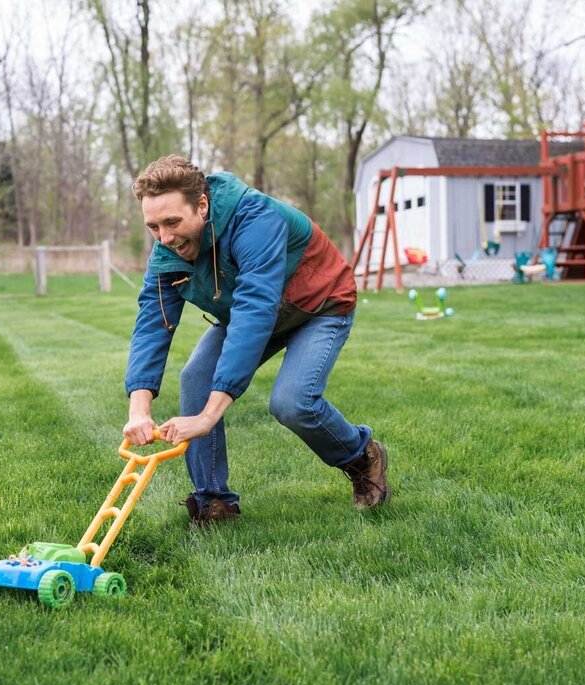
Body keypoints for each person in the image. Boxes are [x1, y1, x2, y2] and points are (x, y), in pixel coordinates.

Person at [123, 155, 389, 526]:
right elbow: (152, 322)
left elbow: (254, 313)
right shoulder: (167, 250)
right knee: (196, 378)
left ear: (202, 205)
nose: (165, 238)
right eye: (153, 227)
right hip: (254, 311)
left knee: (293, 403)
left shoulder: (256, 220)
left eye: (172, 222)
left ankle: (363, 456)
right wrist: (139, 409)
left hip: (318, 305)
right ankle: (214, 502)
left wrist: (207, 417)